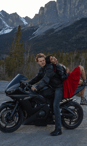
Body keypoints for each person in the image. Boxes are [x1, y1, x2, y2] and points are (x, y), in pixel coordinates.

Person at [28, 53, 67, 136]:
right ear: (37, 62)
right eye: (40, 61)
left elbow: (45, 80)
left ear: (45, 60)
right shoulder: (42, 69)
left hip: (58, 87)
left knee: (55, 105)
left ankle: (58, 129)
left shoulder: (49, 67)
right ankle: (48, 118)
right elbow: (37, 78)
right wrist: (27, 84)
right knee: (43, 98)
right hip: (51, 87)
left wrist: (37, 87)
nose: (42, 62)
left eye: (43, 60)